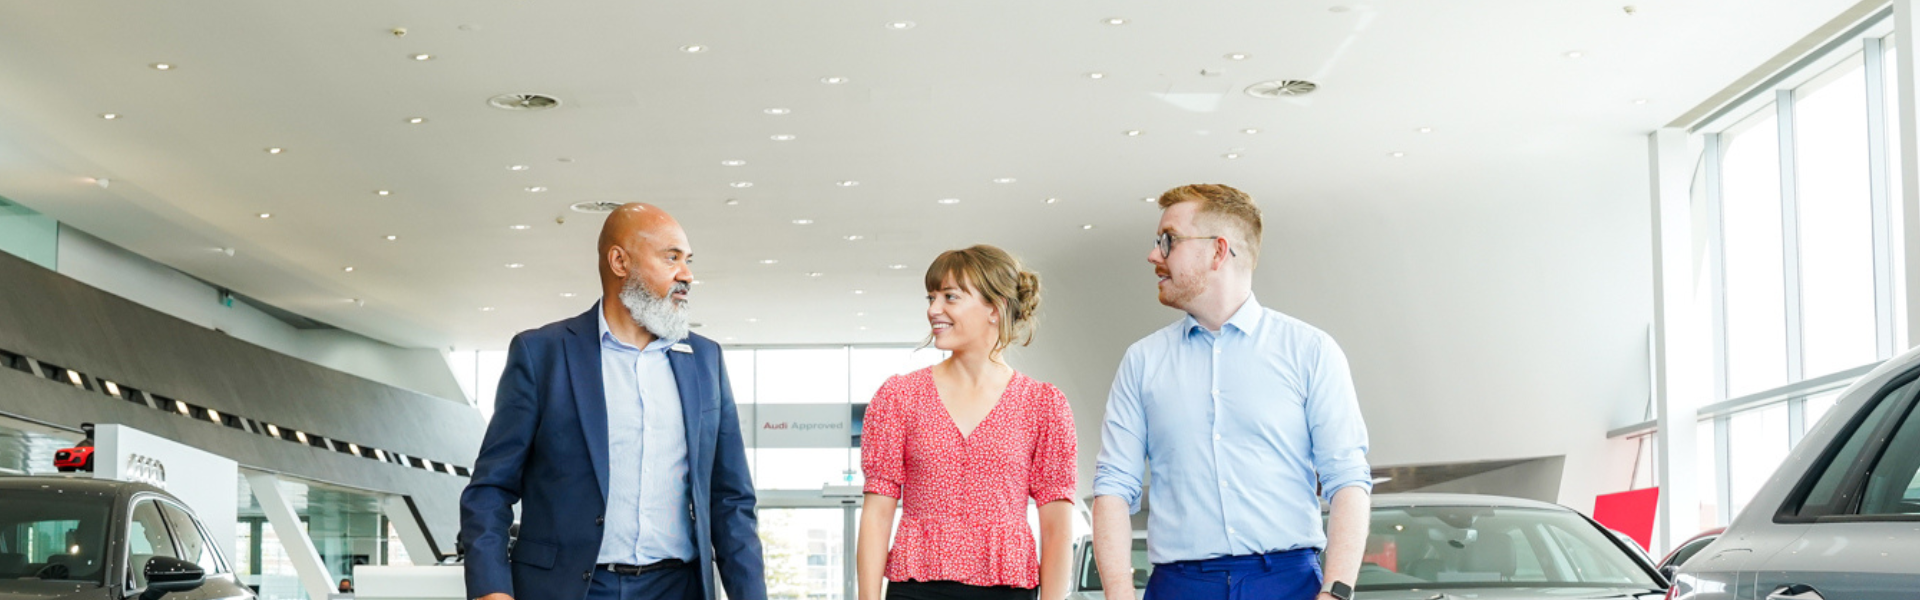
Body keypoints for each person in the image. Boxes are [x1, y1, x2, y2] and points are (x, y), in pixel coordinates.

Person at [459, 203, 765, 600]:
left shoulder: (705, 360)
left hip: (677, 587)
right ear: (619, 261)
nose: (686, 275)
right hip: (569, 589)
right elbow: (490, 489)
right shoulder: (542, 354)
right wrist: (491, 591)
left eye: (687, 261)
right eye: (671, 257)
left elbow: (731, 499)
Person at [1091, 184, 1373, 600]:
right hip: (1177, 586)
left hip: (1289, 583)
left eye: (1168, 240)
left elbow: (1347, 477)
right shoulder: (1142, 361)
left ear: (1218, 251)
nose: (1154, 255)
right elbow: (1113, 486)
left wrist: (1336, 592)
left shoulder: (1310, 351)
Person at [855, 245, 1078, 600]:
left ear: (995, 307)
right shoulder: (899, 397)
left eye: (950, 297)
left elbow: (1057, 530)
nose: (933, 309)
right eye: (931, 297)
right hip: (915, 588)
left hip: (1008, 590)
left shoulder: (1043, 405)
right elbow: (876, 516)